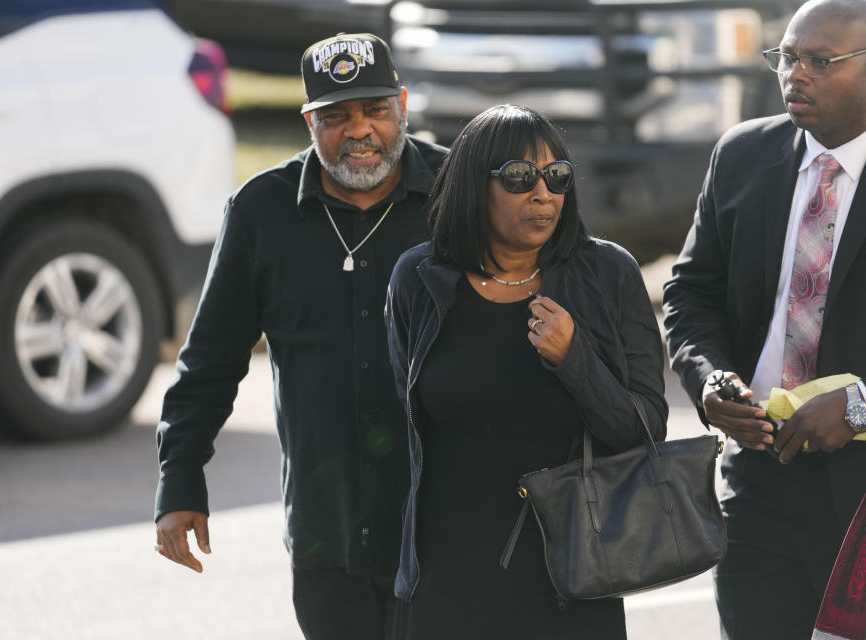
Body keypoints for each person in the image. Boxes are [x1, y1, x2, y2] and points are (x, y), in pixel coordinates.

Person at [152, 32, 447, 640]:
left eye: (376, 111)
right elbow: (210, 360)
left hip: (450, 526)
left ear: (403, 105)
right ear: (309, 120)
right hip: (327, 528)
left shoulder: (457, 194)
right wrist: (180, 478)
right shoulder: (261, 212)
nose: (360, 131)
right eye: (337, 116)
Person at [384, 105, 668, 639]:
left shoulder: (607, 274)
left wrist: (575, 359)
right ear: (474, 186)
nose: (543, 194)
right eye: (519, 177)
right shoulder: (419, 279)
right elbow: (407, 423)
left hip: (572, 570)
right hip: (449, 570)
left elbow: (646, 430)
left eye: (557, 176)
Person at [662, 0, 866, 637]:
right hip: (760, 479)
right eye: (786, 56)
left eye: (820, 61)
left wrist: (859, 405)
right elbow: (691, 294)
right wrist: (712, 381)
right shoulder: (744, 154)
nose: (794, 75)